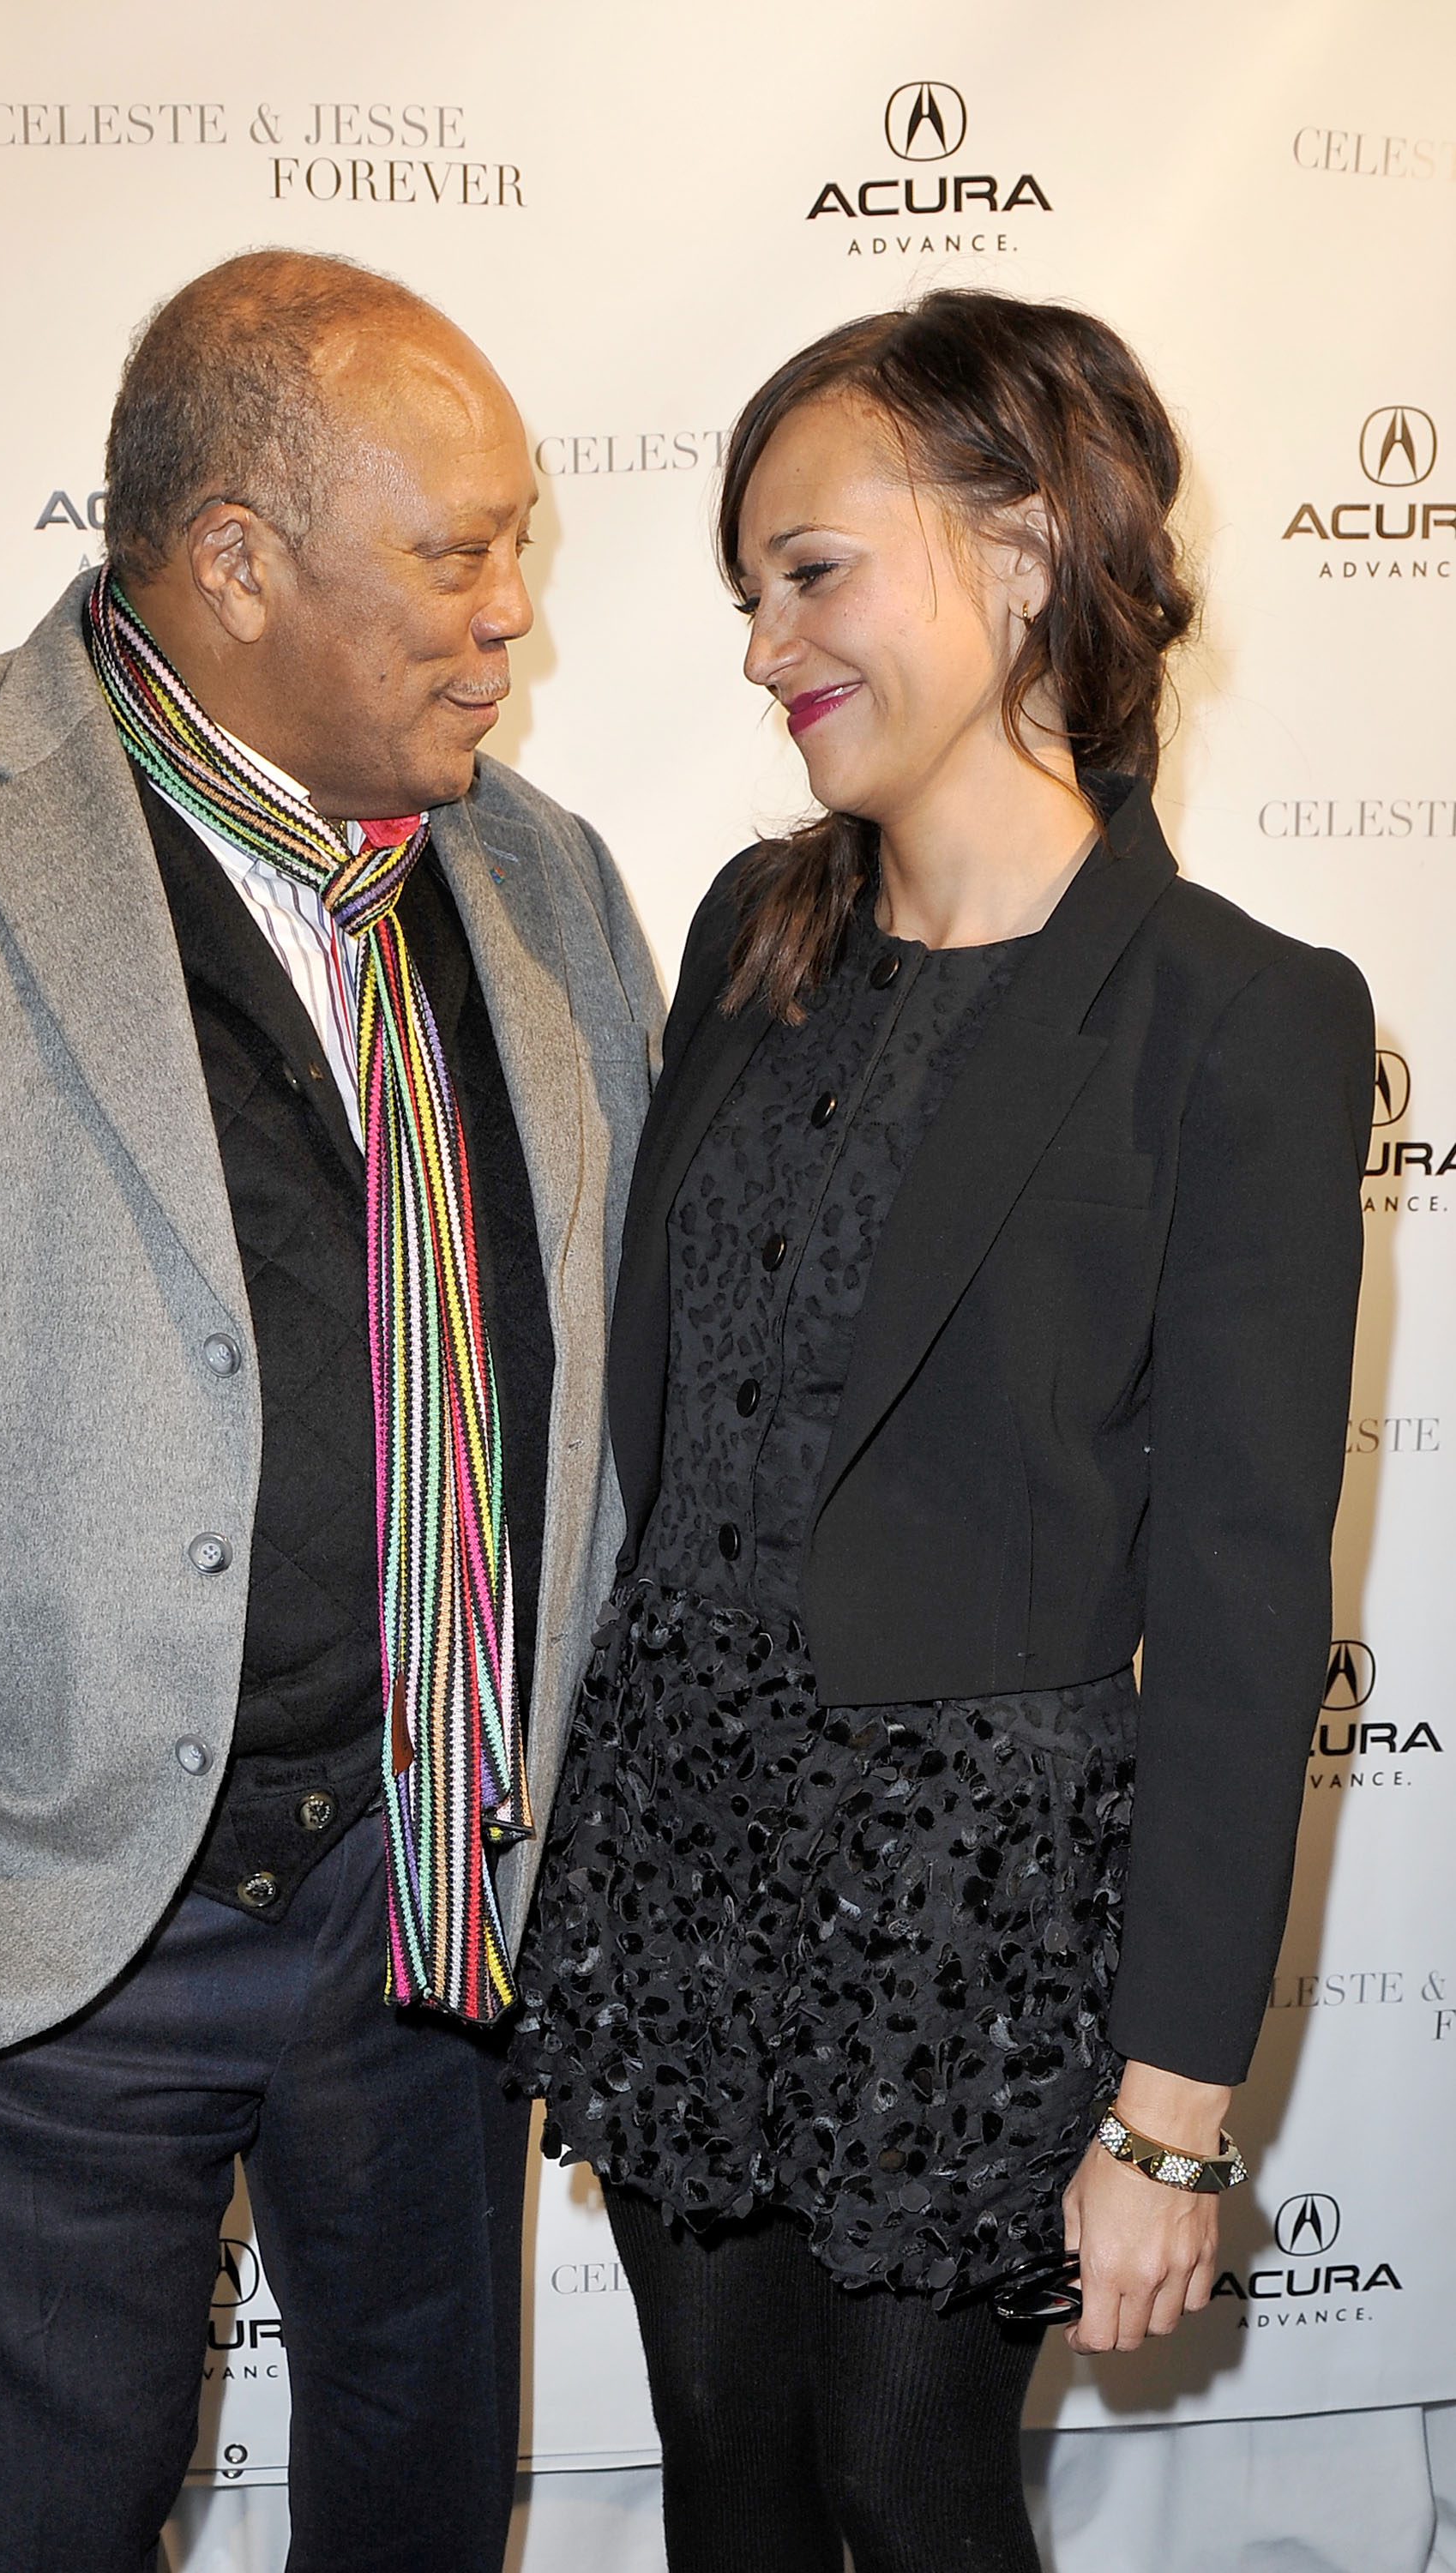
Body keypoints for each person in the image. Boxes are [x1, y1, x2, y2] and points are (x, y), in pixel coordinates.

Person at [0, 249, 661, 2573]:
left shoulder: (546, 884)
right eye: (453, 557)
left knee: (420, 2519)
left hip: (433, 1909)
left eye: (519, 554)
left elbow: (603, 1391)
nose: (508, 623)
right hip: (10, 1927)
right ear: (237, 559)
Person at [511, 290, 1373, 2573]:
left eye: (811, 571)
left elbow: (1244, 1587)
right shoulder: (749, 937)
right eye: (747, 594)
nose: (761, 643)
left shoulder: (1237, 1021)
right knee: (725, 2476)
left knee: (907, 2490)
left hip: (963, 1929)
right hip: (684, 1852)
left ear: (1019, 553)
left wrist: (1173, 2115)